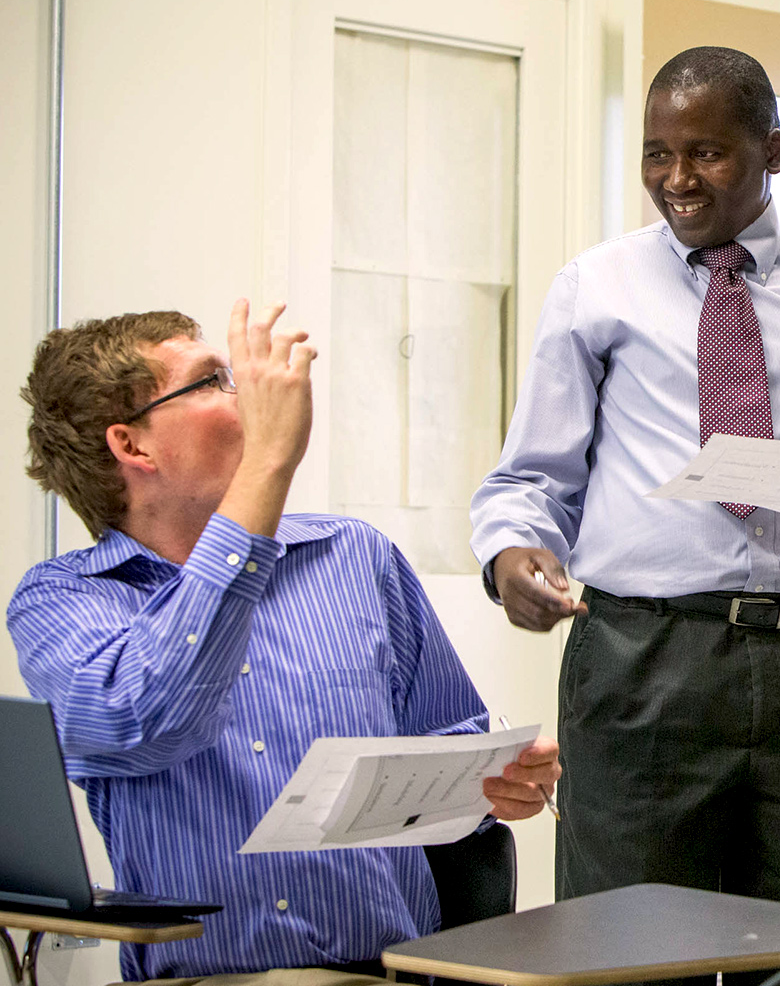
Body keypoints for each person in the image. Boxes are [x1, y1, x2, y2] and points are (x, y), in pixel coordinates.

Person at [469, 46, 780, 924]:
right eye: (659, 154)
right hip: (644, 662)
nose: (677, 179)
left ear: (772, 152)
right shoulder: (596, 288)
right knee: (623, 949)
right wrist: (513, 556)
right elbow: (530, 478)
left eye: (707, 153)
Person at [10, 302, 562, 985]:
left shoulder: (356, 557)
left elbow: (447, 751)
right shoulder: (62, 602)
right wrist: (267, 465)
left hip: (385, 977)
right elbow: (144, 722)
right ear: (133, 446)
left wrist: (494, 786)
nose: (247, 392)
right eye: (212, 380)